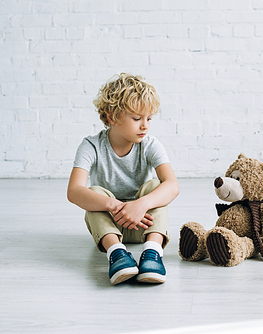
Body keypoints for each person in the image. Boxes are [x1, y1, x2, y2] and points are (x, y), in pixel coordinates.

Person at [67, 73, 179, 285]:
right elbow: (73, 191)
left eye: (149, 118)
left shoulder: (150, 144)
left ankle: (152, 253)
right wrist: (116, 206)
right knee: (94, 193)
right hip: (109, 225)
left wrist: (141, 204)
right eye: (137, 119)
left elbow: (173, 186)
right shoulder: (91, 146)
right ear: (111, 116)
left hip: (143, 224)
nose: (145, 125)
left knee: (157, 186)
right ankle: (117, 253)